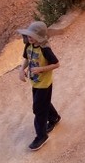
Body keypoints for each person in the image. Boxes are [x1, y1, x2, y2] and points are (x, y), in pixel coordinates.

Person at [17, 20, 61, 151]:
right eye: (28, 35)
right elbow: (27, 59)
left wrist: (42, 69)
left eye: (31, 36)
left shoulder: (45, 49)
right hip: (35, 82)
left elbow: (56, 64)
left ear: (39, 37)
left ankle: (41, 136)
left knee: (38, 109)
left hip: (44, 83)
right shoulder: (29, 46)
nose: (29, 37)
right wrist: (21, 70)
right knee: (43, 102)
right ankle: (54, 118)